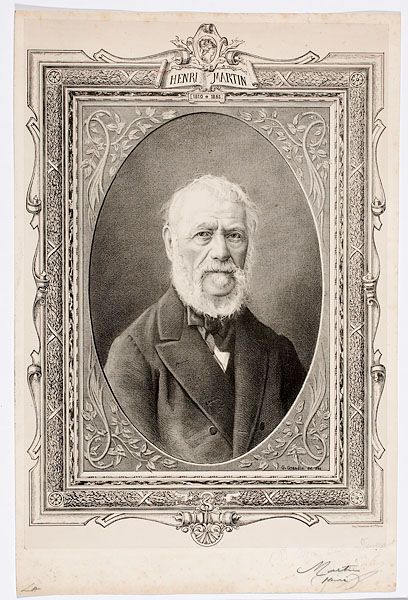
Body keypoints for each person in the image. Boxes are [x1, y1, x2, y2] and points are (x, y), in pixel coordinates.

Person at [104, 175, 305, 463]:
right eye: (203, 234)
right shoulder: (132, 354)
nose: (221, 253)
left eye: (234, 235)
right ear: (171, 243)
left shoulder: (278, 352)